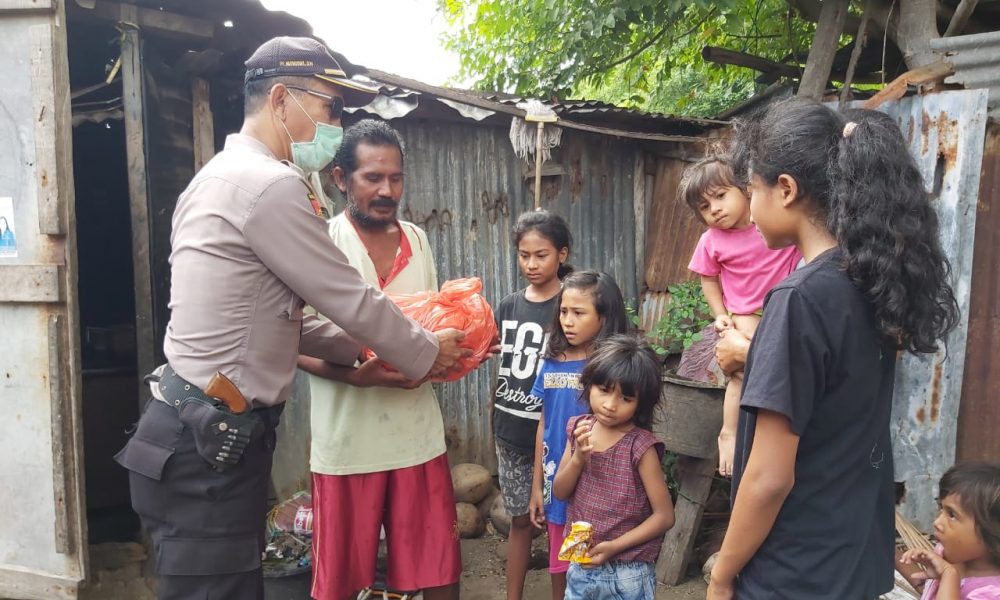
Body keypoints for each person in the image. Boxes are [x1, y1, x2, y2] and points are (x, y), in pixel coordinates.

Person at [114, 37, 469, 600]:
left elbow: (278, 319)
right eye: (328, 109)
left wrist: (360, 351)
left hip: (192, 434)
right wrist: (427, 352)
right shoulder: (272, 187)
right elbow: (349, 298)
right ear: (282, 100)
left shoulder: (214, 178)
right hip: (208, 443)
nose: (331, 127)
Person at [707, 99, 959, 600]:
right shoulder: (868, 281)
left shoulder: (798, 299)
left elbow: (769, 477)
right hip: (853, 561)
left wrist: (721, 574)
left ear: (785, 189)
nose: (749, 210)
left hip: (796, 571)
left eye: (751, 190)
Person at [298, 119, 461, 600]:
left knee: (438, 575)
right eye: (372, 177)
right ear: (341, 179)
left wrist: (457, 351)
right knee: (341, 584)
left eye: (396, 177)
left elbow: (429, 328)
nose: (387, 190)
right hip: (346, 444)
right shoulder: (320, 244)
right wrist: (357, 379)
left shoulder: (419, 239)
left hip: (416, 437)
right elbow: (291, 342)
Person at [680, 156, 800, 477]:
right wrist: (719, 315)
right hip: (744, 313)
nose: (715, 209)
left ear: (746, 190)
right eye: (704, 207)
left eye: (721, 196)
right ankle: (729, 432)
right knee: (741, 375)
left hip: (784, 306)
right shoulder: (712, 240)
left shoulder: (772, 224)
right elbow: (708, 277)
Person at [530, 270, 630, 600]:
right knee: (561, 562)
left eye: (579, 313)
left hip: (596, 484)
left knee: (593, 563)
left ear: (604, 318)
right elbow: (543, 426)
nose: (567, 321)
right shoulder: (552, 362)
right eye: (563, 312)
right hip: (556, 479)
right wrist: (536, 489)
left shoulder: (609, 370)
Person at [553, 334, 675, 600]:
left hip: (628, 572)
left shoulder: (640, 447)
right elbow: (560, 492)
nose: (610, 405)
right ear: (589, 385)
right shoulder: (578, 429)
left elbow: (664, 517)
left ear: (640, 403)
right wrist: (577, 459)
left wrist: (614, 547)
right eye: (604, 390)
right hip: (582, 565)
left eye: (625, 398)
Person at [492, 209, 573, 600]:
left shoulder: (572, 307)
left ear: (562, 254)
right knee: (519, 521)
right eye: (524, 255)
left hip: (555, 433)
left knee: (559, 521)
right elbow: (501, 365)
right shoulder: (508, 305)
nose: (531, 264)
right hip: (510, 430)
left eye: (540, 255)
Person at [900, 463, 1000, 599]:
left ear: (993, 532)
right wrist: (894, 555)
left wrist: (948, 575)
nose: (937, 522)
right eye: (941, 508)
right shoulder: (946, 553)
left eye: (952, 515)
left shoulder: (992, 593)